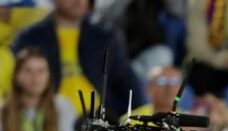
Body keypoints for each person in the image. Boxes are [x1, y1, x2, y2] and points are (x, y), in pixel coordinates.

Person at [11, 0, 140, 117]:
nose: (78, 1)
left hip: (98, 122)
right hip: (48, 121)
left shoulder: (105, 37)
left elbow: (126, 82)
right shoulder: (29, 38)